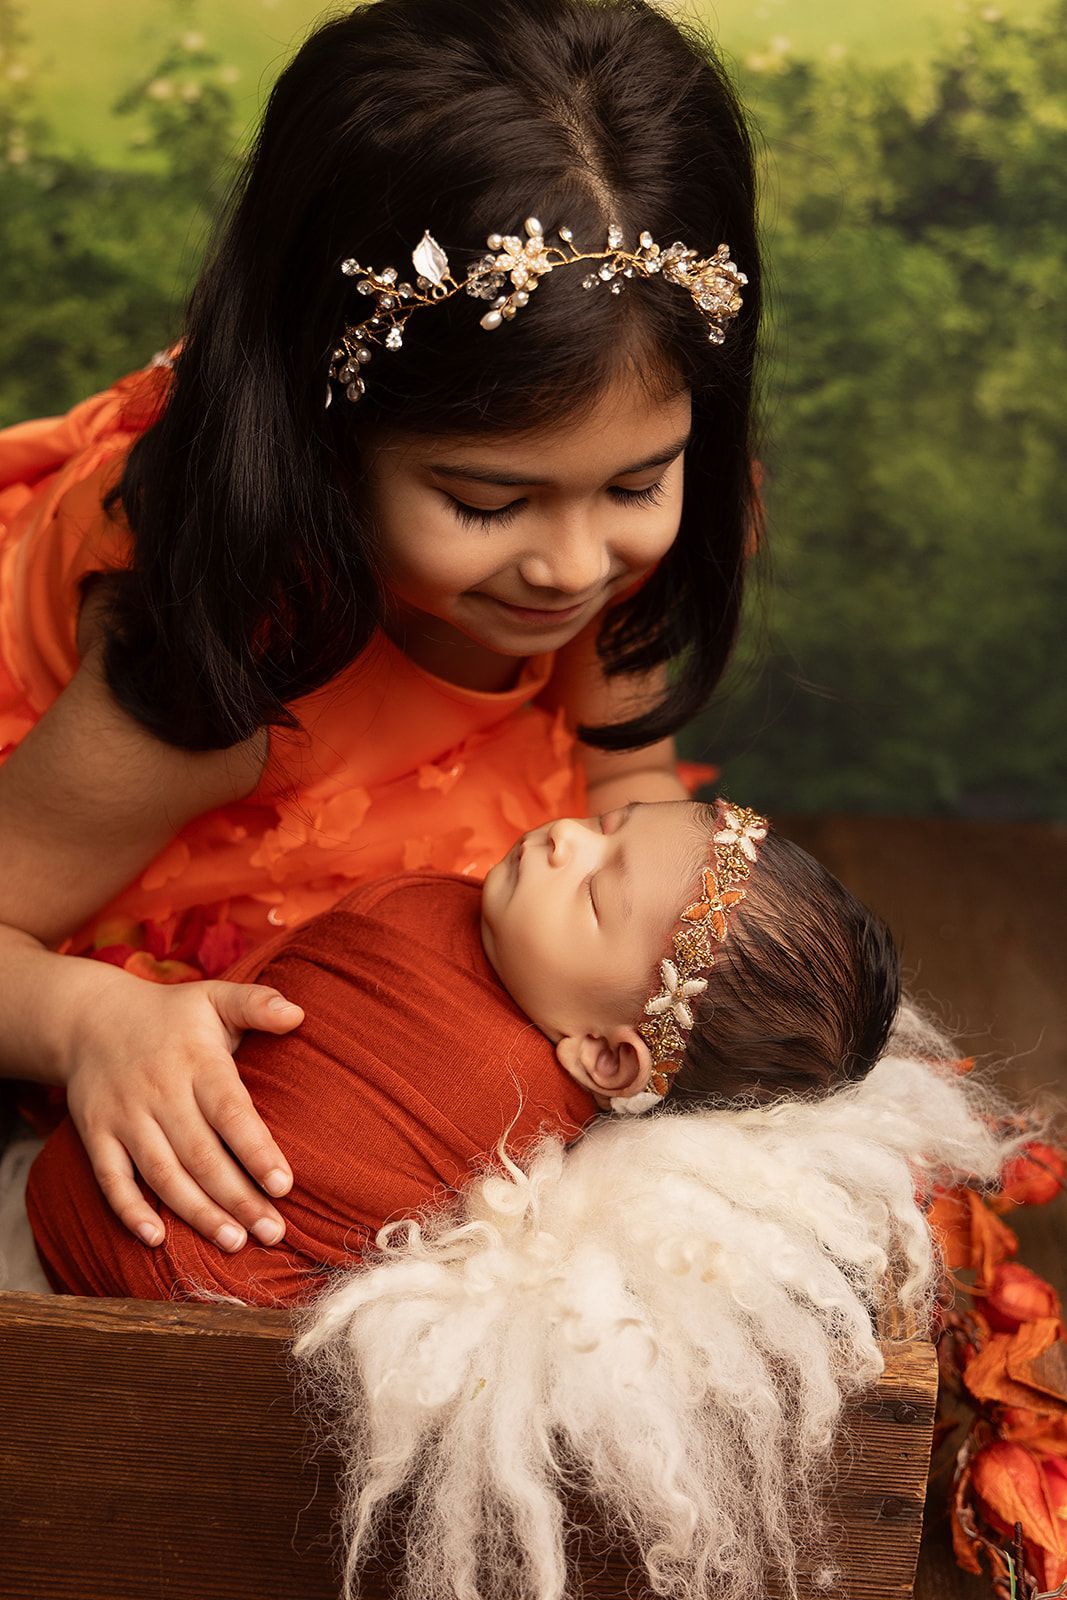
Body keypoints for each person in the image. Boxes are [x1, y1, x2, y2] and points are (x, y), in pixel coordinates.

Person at [0, 0, 766, 1259]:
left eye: (636, 486)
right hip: (169, 840)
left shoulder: (622, 493)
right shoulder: (213, 672)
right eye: (482, 500)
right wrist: (89, 1021)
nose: (575, 565)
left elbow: (622, 760)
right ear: (323, 443)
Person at [24, 798, 901, 1305]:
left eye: (595, 891)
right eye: (607, 821)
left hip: (160, 1294)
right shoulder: (453, 920)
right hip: (96, 1204)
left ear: (605, 1058)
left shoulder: (507, 1102)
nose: (565, 836)